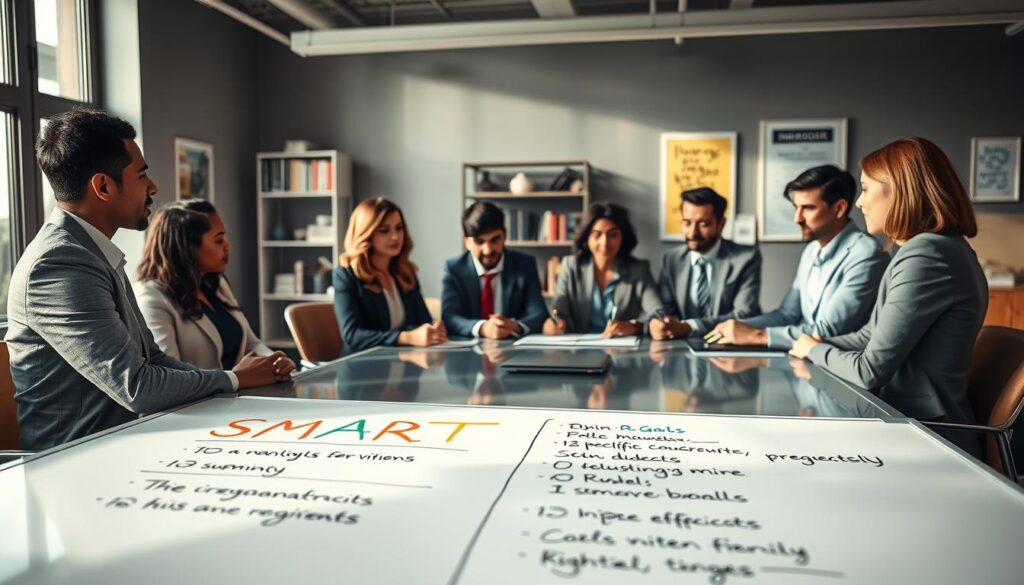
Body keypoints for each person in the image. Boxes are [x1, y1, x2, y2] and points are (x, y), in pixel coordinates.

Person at [5, 109, 283, 451]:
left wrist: (232, 382)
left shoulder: (93, 252)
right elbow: (137, 386)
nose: (153, 187)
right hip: (79, 460)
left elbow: (152, 358)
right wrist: (233, 378)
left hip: (125, 445)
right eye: (142, 175)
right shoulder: (60, 263)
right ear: (103, 186)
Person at [790, 137, 987, 456]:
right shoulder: (935, 249)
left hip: (927, 437)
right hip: (914, 424)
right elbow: (872, 335)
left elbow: (869, 371)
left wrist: (815, 350)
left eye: (866, 189)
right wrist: (819, 343)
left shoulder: (927, 255)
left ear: (901, 190)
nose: (858, 203)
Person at [706, 166, 888, 349]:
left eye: (808, 208)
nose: (797, 218)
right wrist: (735, 328)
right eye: (796, 207)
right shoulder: (811, 251)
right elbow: (787, 315)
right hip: (807, 360)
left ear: (839, 208)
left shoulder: (867, 254)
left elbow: (829, 330)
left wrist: (758, 336)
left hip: (843, 368)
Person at [136, 200, 296, 376]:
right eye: (219, 240)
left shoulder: (215, 283)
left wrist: (275, 361)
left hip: (241, 397)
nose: (228, 246)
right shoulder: (152, 298)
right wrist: (235, 378)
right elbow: (169, 377)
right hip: (202, 402)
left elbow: (251, 343)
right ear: (187, 247)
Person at [333, 197, 446, 352]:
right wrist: (407, 337)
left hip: (405, 363)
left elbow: (422, 321)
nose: (395, 236)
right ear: (366, 234)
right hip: (363, 367)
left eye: (399, 228)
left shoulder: (406, 272)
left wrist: (433, 329)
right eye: (384, 230)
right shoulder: (346, 275)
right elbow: (353, 335)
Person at [650, 187, 761, 341]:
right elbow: (664, 310)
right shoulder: (671, 259)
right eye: (687, 223)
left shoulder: (746, 258)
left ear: (721, 224)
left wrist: (690, 326)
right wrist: (659, 324)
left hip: (730, 346)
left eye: (703, 224)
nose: (692, 233)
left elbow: (743, 314)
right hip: (680, 346)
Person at [543, 202, 662, 337]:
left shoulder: (638, 270)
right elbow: (559, 311)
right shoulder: (570, 266)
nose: (604, 242)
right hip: (579, 351)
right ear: (586, 238)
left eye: (613, 235)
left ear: (623, 237)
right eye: (597, 235)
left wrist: (634, 327)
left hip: (621, 351)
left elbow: (657, 312)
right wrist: (554, 324)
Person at [441, 202, 547, 339]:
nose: (488, 250)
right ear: (466, 241)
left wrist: (514, 326)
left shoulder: (525, 264)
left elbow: (539, 313)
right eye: (479, 242)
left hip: (514, 351)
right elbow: (450, 317)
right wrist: (483, 328)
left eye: (495, 239)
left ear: (505, 235)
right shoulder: (453, 268)